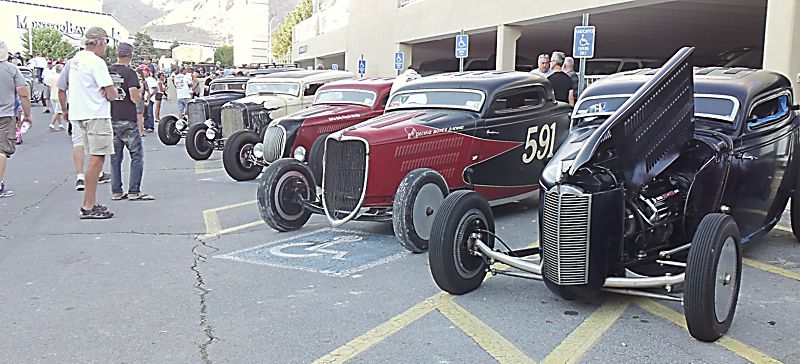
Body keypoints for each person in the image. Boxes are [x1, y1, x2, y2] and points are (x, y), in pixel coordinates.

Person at [59, 26, 118, 219]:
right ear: (100, 41)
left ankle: (90, 201)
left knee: (91, 157)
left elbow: (64, 87)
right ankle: (88, 205)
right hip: (96, 113)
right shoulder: (96, 62)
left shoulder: (75, 60)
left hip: (79, 113)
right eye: (106, 43)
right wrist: (109, 93)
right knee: (97, 158)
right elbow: (111, 93)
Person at [108, 43, 155, 202]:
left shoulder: (108, 71)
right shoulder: (130, 73)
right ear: (130, 55)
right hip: (127, 117)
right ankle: (134, 190)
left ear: (117, 54)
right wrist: (141, 90)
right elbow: (134, 98)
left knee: (115, 157)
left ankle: (116, 191)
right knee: (136, 155)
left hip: (111, 116)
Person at [0, 41, 32, 198]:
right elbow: (23, 93)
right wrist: (27, 115)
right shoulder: (11, 69)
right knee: (2, 150)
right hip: (5, 114)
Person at [47, 64, 66, 130]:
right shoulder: (62, 77)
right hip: (59, 96)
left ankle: (60, 125)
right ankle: (51, 124)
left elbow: (49, 86)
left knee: (57, 111)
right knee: (57, 111)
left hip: (52, 95)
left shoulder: (52, 77)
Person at [142, 68, 157, 132]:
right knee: (144, 113)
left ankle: (151, 126)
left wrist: (150, 96)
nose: (144, 73)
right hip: (144, 98)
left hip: (150, 98)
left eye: (145, 72)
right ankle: (146, 126)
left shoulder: (151, 79)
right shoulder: (143, 79)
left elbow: (156, 89)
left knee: (149, 113)